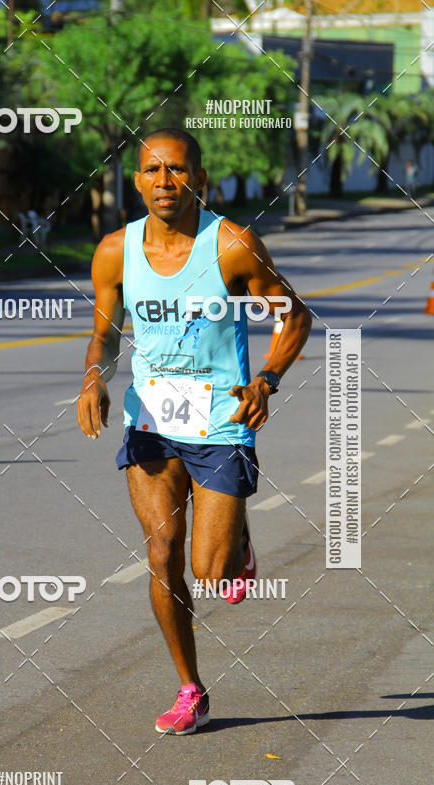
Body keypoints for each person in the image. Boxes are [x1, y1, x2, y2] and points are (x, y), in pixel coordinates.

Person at [77, 128, 312, 735]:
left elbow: (295, 316)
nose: (164, 182)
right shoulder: (114, 251)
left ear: (199, 180)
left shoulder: (231, 245)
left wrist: (265, 381)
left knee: (213, 573)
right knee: (161, 553)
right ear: (136, 181)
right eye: (152, 172)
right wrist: (93, 379)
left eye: (177, 171)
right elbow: (104, 335)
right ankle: (190, 689)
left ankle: (238, 540)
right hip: (151, 419)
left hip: (220, 420)